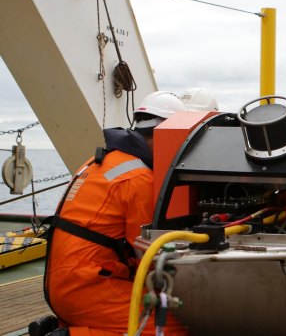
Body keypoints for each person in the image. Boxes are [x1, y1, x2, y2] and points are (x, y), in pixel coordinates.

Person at [43, 91, 188, 336]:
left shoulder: (101, 161)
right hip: (86, 287)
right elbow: (148, 253)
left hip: (62, 281)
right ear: (167, 135)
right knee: (176, 324)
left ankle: (68, 327)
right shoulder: (139, 179)